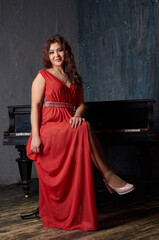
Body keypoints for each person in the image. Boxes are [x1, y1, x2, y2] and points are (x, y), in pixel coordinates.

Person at [26, 34, 135, 231]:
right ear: (47, 56)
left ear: (66, 52)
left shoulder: (74, 78)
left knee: (83, 124)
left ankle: (107, 178)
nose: (56, 55)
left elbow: (81, 105)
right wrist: (35, 135)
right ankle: (108, 176)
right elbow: (34, 106)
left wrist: (76, 114)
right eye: (51, 52)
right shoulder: (43, 76)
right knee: (85, 127)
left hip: (68, 125)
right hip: (50, 127)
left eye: (59, 50)